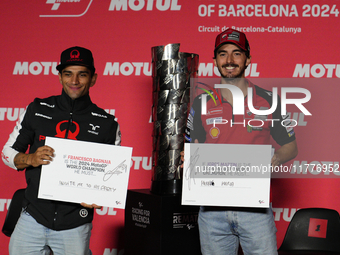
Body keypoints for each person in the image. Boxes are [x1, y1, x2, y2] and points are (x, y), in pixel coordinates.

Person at [184, 28, 298, 254]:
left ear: (248, 59)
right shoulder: (201, 103)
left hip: (254, 208)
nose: (229, 60)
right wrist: (186, 159)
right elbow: (191, 148)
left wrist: (275, 158)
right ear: (215, 60)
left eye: (237, 53)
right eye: (223, 53)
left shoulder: (269, 100)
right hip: (211, 208)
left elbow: (291, 147)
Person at [2, 46, 121, 255]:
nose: (74, 81)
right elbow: (7, 154)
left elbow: (113, 178)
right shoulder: (37, 109)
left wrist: (100, 197)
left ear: (93, 78)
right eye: (68, 74)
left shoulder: (107, 124)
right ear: (60, 77)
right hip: (32, 218)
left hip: (75, 224)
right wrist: (30, 158)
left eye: (82, 74)